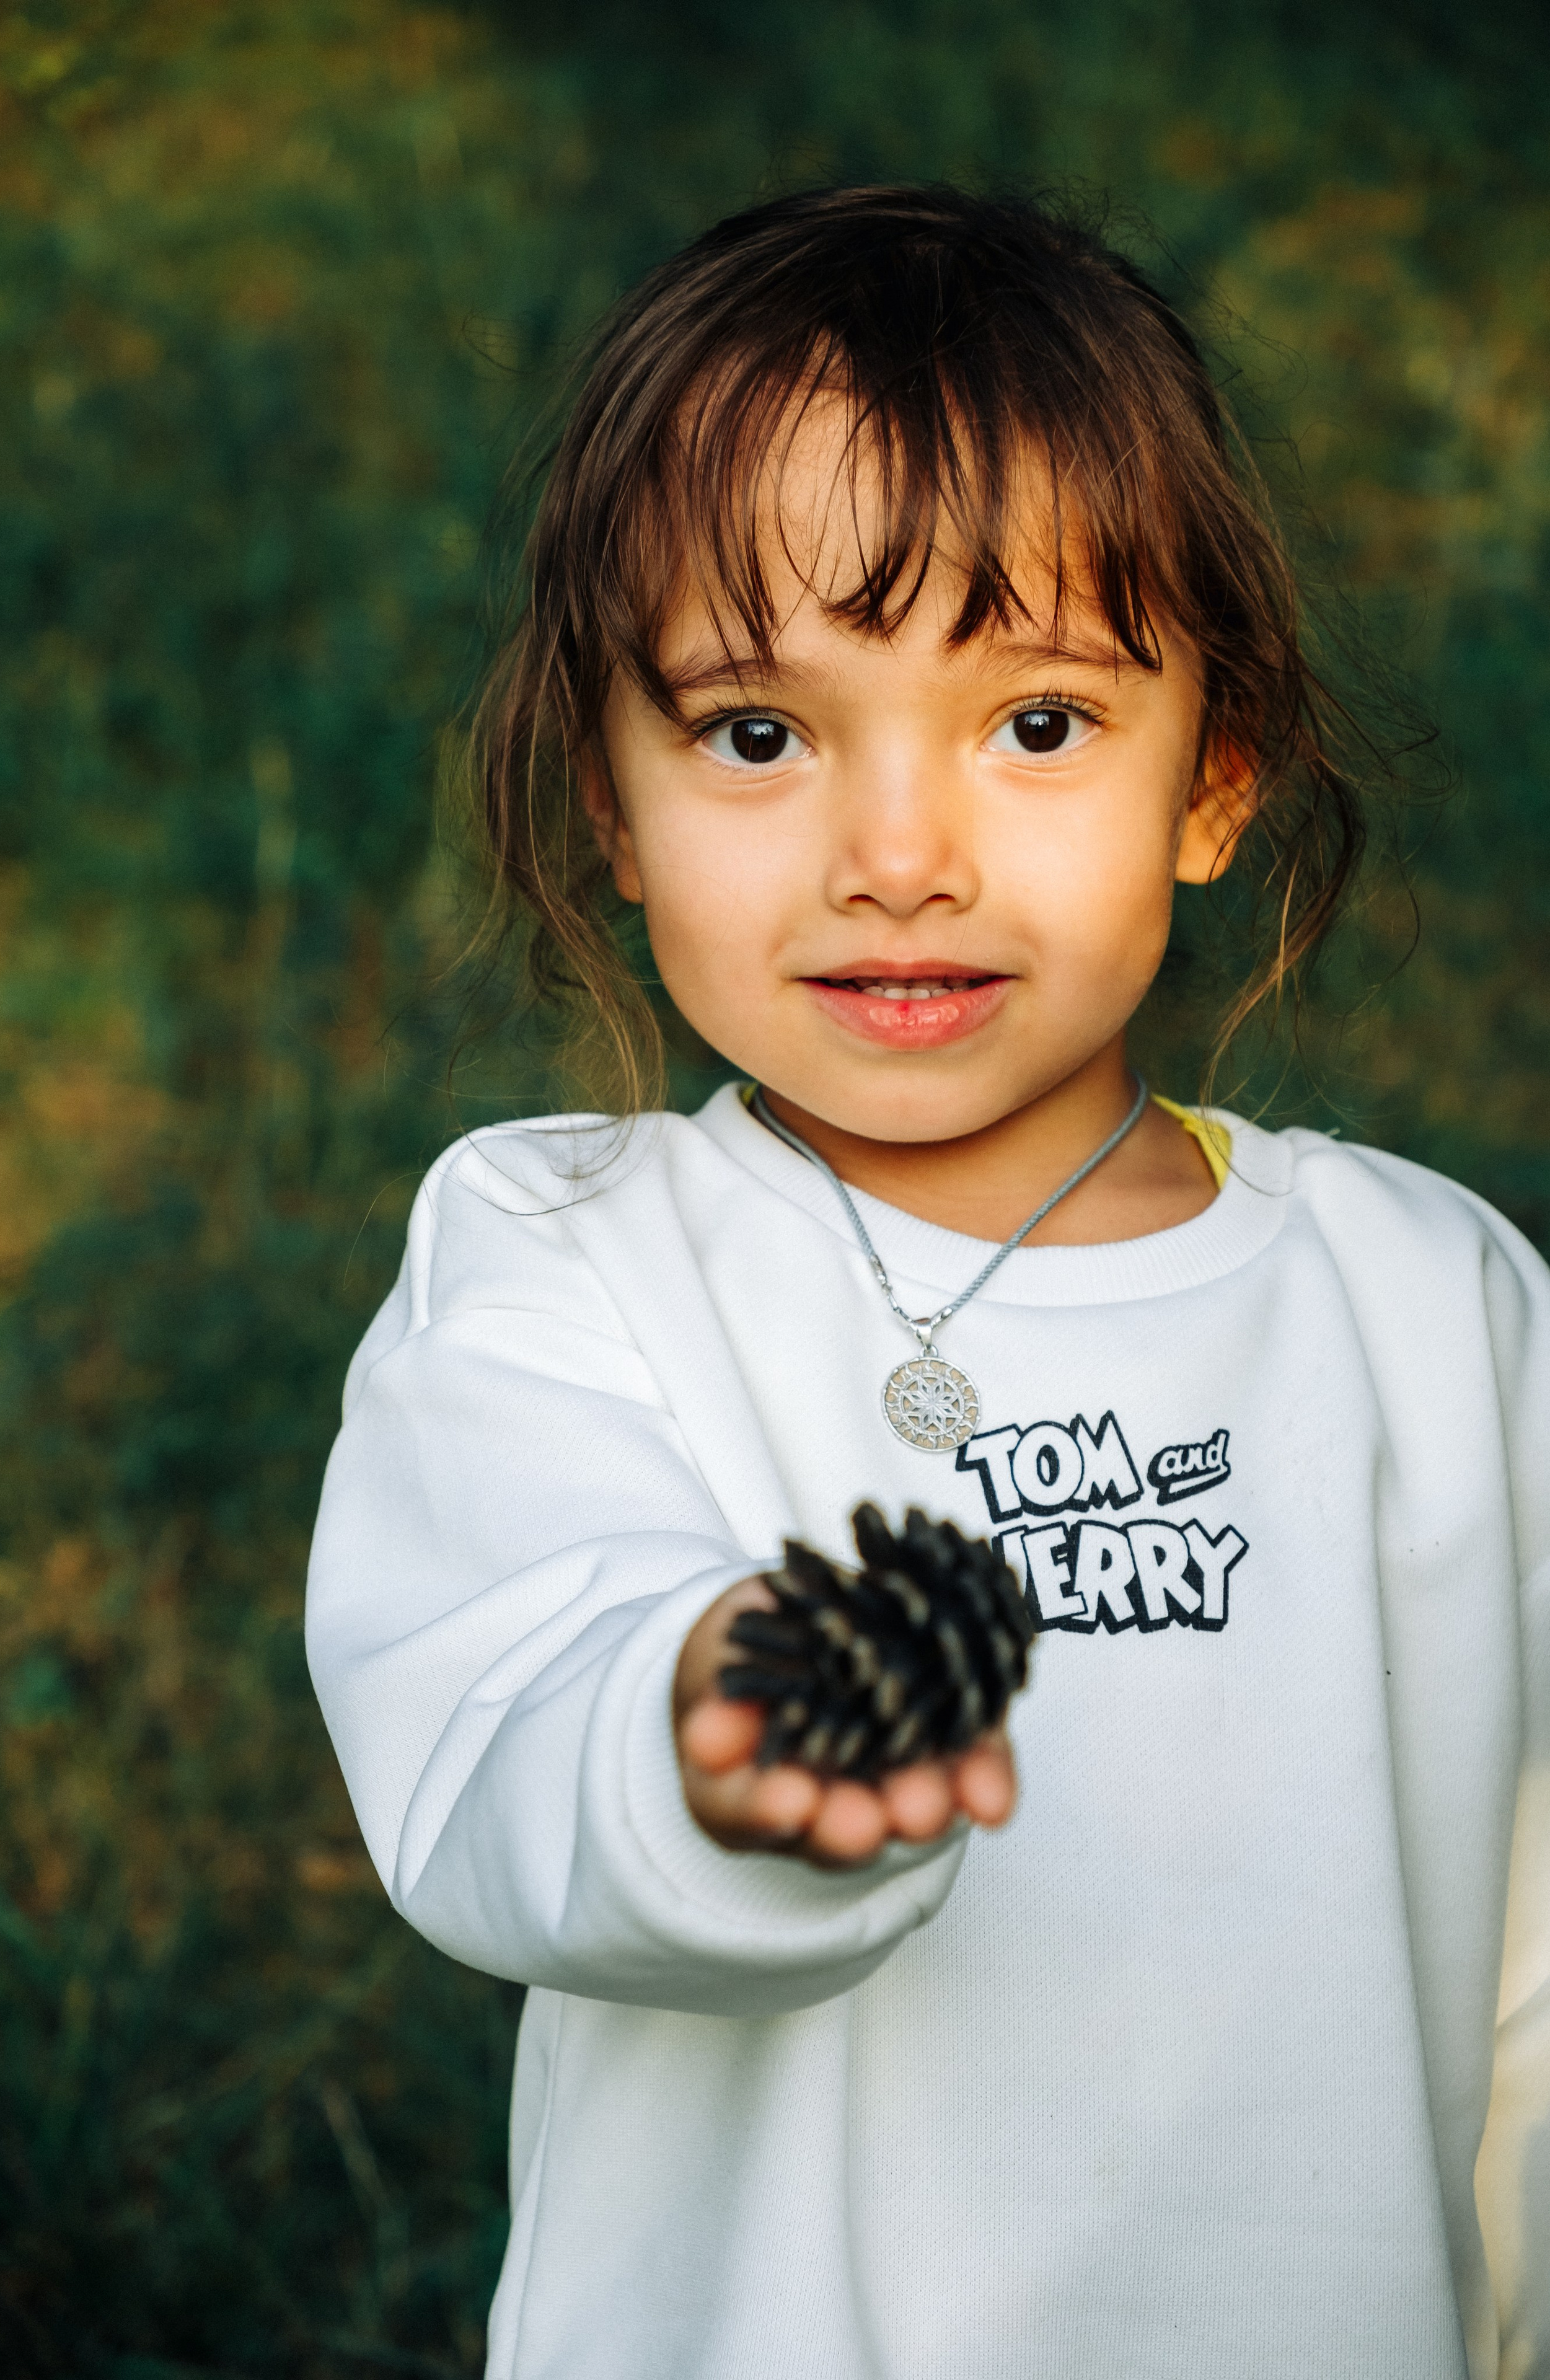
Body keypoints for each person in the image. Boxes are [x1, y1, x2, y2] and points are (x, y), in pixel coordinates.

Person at [305, 185, 1549, 2380]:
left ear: (1218, 773)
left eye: (1038, 726)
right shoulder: (563, 1262)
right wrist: (703, 1736)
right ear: (612, 794)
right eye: (759, 735)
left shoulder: (1438, 1310)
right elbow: (496, 1726)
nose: (898, 855)